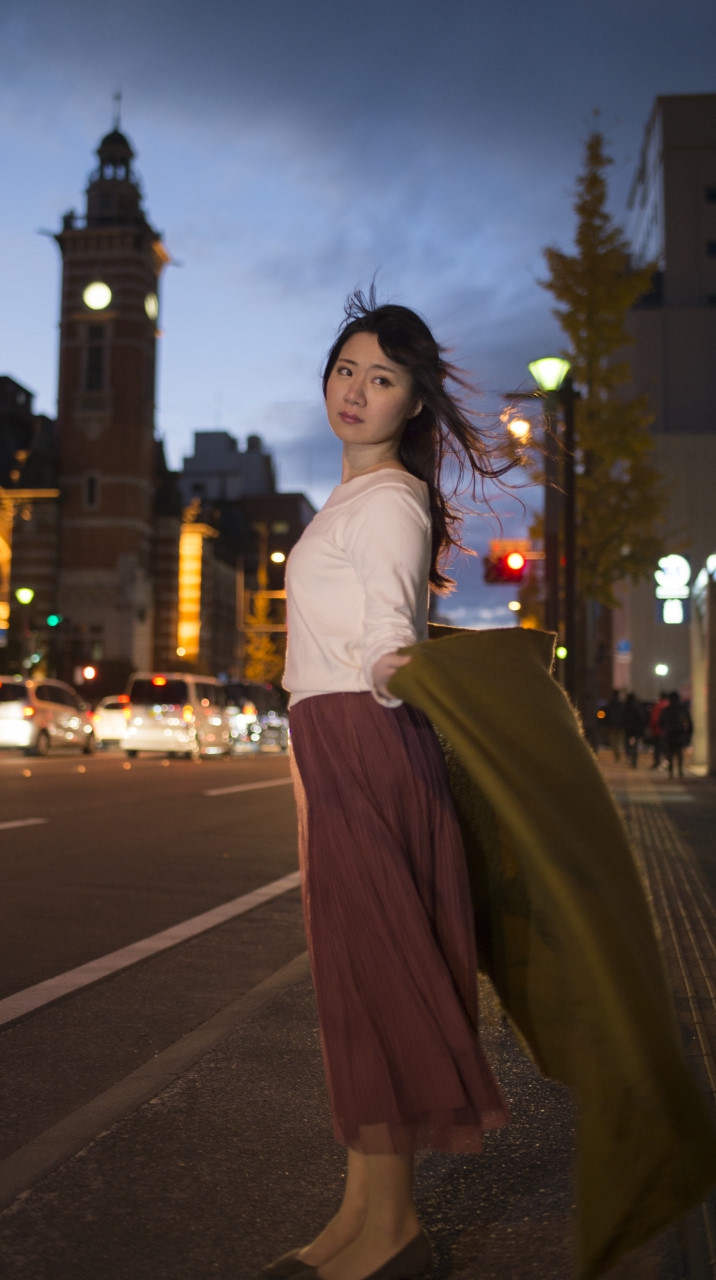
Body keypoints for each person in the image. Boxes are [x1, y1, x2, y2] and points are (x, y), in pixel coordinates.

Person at [265, 293, 510, 1280]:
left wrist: (390, 670)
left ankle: (395, 1228)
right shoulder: (349, 500)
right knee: (355, 980)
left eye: (382, 377)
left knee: (381, 977)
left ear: (413, 402)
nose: (356, 390)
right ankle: (358, 1213)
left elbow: (385, 638)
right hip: (335, 743)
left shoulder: (393, 503)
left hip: (365, 740)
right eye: (346, 369)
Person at [658, 691, 692, 779]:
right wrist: (688, 734)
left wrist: (665, 730)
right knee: (679, 753)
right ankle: (680, 770)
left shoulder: (667, 710)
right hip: (679, 734)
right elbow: (689, 722)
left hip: (669, 734)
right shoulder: (682, 709)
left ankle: (671, 771)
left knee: (670, 753)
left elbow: (661, 722)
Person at [622, 692, 646, 769]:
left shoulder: (626, 706)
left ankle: (629, 756)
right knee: (635, 745)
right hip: (636, 728)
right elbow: (642, 717)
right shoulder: (638, 706)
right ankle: (634, 760)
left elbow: (623, 717)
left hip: (628, 728)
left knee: (627, 743)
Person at [649, 691, 670, 769]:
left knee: (657, 748)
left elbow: (654, 719)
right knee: (666, 748)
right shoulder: (669, 705)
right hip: (667, 731)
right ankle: (668, 762)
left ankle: (657, 762)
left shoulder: (657, 706)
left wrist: (652, 728)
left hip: (657, 730)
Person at [605, 689, 625, 761]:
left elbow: (606, 715)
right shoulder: (621, 704)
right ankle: (618, 756)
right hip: (620, 727)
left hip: (612, 726)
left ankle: (616, 756)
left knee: (613, 742)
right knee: (619, 742)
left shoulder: (610, 704)